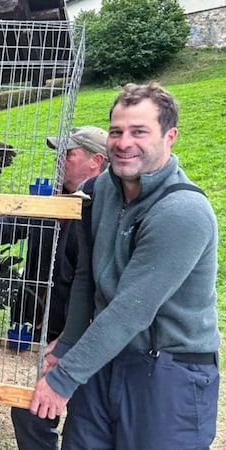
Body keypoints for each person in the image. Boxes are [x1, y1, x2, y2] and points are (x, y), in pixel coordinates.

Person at [30, 82, 220, 449]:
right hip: (106, 355)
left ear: (170, 137)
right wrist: (68, 342)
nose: (123, 142)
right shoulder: (98, 192)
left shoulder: (182, 212)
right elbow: (85, 276)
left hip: (169, 370)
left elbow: (131, 311)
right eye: (116, 131)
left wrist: (63, 378)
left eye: (139, 131)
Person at [0, 126, 108, 450]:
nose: (59, 159)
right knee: (29, 412)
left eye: (69, 153)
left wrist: (76, 336)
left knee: (85, 421)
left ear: (96, 161)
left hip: (83, 334)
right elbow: (7, 230)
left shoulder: (104, 211)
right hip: (36, 327)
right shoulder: (47, 198)